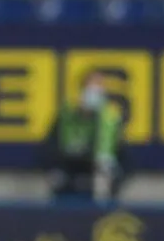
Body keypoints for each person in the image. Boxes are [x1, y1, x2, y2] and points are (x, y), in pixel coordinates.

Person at [45, 71, 126, 204]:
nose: (94, 93)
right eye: (91, 87)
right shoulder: (67, 115)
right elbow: (50, 147)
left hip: (98, 180)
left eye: (99, 87)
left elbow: (123, 155)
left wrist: (116, 179)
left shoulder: (110, 119)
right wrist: (54, 170)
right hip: (69, 179)